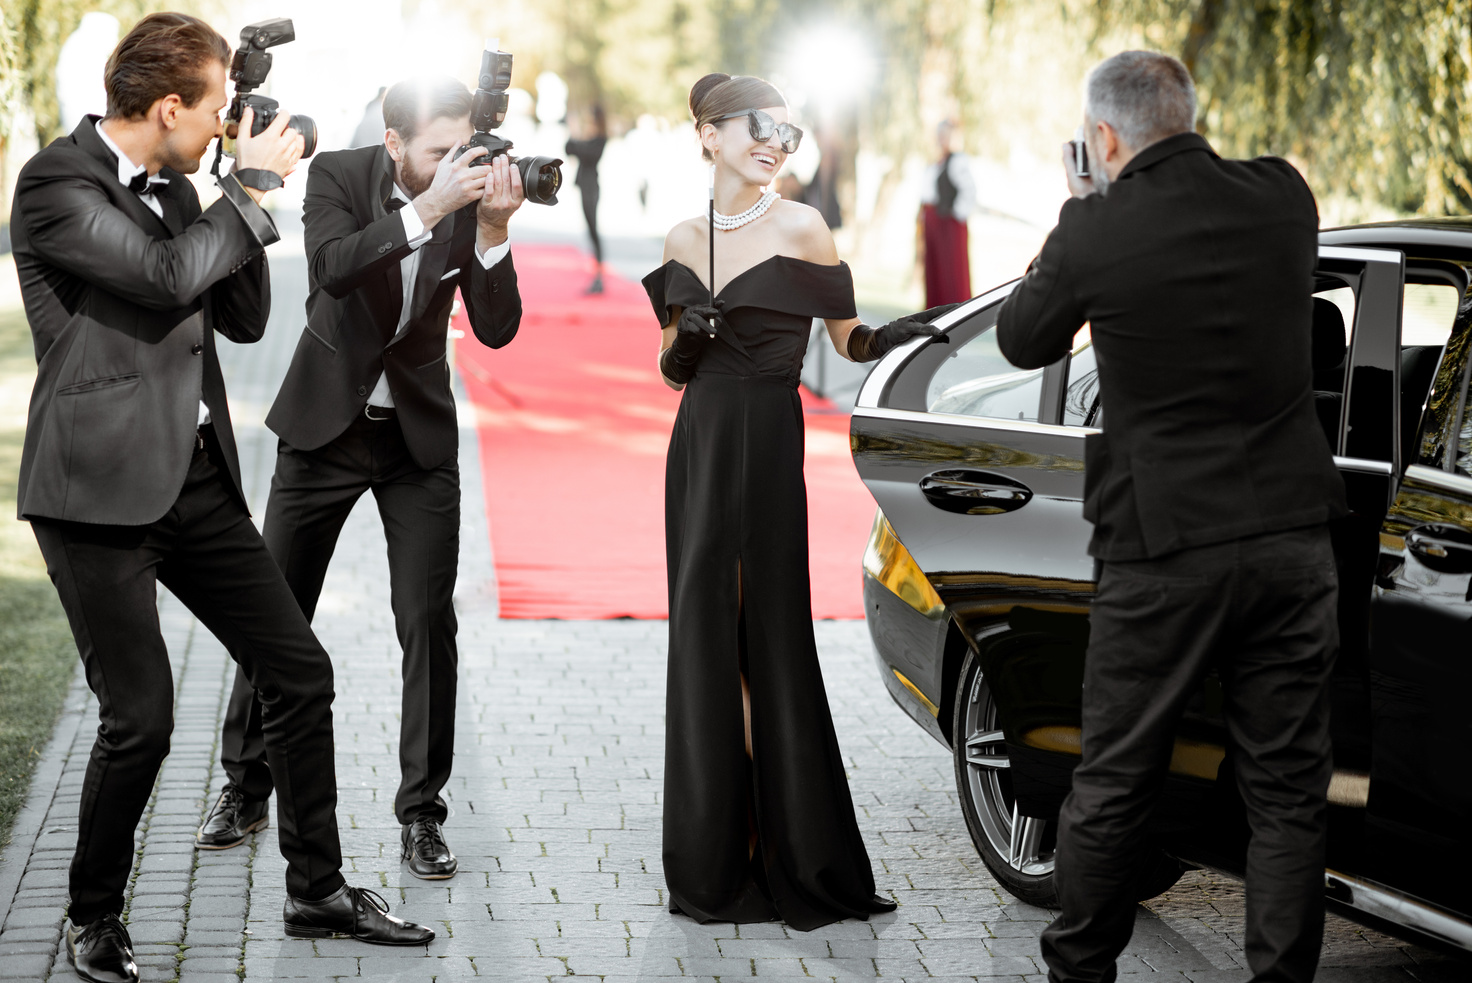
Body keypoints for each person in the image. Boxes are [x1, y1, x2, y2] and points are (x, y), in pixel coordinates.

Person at [10, 14, 435, 982]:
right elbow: (166, 281)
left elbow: (236, 317)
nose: (227, 128)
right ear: (169, 106)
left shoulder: (176, 187)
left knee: (300, 671)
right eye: (213, 114)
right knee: (142, 719)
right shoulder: (55, 184)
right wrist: (246, 185)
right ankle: (94, 914)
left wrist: (217, 186)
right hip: (95, 493)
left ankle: (316, 888)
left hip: (195, 481)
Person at [994, 51, 1347, 983]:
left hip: (1161, 552)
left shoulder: (1095, 231)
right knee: (1287, 793)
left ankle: (1079, 971)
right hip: (1290, 541)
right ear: (1189, 113)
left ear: (1102, 138)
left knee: (1114, 779)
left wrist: (1078, 206)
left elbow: (1023, 337)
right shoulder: (1283, 196)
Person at [196, 76, 525, 882]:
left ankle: (422, 813)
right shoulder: (341, 176)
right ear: (394, 145)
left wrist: (491, 231)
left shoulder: (472, 191)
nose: (458, 164)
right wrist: (431, 209)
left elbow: (496, 327)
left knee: (427, 620)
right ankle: (245, 784)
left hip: (416, 439)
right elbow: (335, 268)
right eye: (439, 153)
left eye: (463, 150)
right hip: (324, 425)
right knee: (275, 607)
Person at [641, 72, 948, 930]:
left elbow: (852, 341)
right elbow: (669, 367)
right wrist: (687, 344)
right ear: (707, 134)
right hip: (700, 448)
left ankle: (795, 850)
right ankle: (718, 857)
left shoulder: (805, 227)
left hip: (770, 447)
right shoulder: (679, 234)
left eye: (787, 133)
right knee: (708, 639)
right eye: (756, 127)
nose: (775, 143)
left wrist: (920, 331)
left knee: (768, 634)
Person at [918, 119, 974, 308]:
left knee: (951, 273)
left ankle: (954, 314)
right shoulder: (936, 163)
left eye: (945, 135)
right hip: (933, 223)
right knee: (935, 274)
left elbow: (968, 191)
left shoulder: (957, 161)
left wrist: (953, 214)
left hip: (947, 224)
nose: (941, 139)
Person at [565, 105, 607, 294]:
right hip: (585, 186)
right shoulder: (590, 138)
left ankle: (599, 275)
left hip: (591, 188)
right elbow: (570, 148)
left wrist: (576, 135)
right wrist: (575, 132)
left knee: (593, 230)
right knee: (591, 231)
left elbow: (585, 153)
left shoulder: (599, 139)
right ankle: (597, 275)